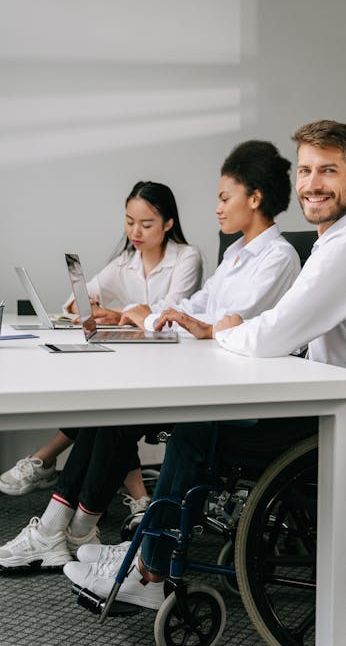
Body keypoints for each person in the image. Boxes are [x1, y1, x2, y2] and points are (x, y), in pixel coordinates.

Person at [63, 118, 346, 611]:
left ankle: (151, 570)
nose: (311, 184)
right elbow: (263, 328)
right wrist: (215, 326)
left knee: (198, 430)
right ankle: (148, 550)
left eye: (327, 171)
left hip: (343, 417)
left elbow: (271, 334)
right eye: (306, 170)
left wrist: (217, 329)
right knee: (199, 421)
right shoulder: (340, 242)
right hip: (334, 399)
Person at [0, 140, 301, 571]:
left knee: (112, 411)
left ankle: (63, 529)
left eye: (223, 197)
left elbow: (233, 325)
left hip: (232, 392)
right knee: (107, 410)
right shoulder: (236, 254)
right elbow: (197, 308)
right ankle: (63, 528)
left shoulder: (278, 257)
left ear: (255, 198)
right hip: (206, 374)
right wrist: (148, 317)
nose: (216, 208)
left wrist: (155, 318)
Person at [0, 181, 202, 507]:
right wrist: (92, 308)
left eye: (146, 224)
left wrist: (117, 312)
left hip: (176, 365)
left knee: (107, 408)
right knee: (104, 398)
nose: (135, 231)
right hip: (140, 363)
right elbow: (72, 304)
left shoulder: (186, 258)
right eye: (129, 221)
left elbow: (169, 314)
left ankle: (46, 460)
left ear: (168, 224)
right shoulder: (125, 261)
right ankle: (137, 498)